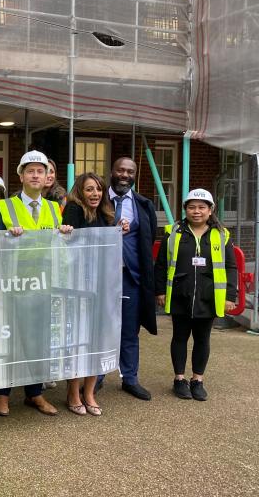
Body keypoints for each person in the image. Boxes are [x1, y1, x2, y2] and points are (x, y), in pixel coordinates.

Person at [0, 150, 71, 417]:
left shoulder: (53, 208)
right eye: (30, 171)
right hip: (12, 286)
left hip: (43, 286)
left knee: (38, 341)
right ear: (21, 176)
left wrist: (65, 235)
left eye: (41, 170)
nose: (36, 175)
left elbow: (58, 249)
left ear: (48, 176)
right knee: (9, 340)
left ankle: (34, 393)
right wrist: (6, 237)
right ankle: (2, 394)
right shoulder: (3, 207)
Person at [155, 189, 238, 401]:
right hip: (180, 293)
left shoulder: (222, 235)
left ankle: (197, 380)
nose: (197, 211)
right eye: (192, 207)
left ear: (210, 210)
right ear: (185, 210)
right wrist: (160, 290)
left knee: (202, 339)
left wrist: (230, 295)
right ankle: (179, 379)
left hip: (209, 296)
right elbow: (161, 264)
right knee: (180, 337)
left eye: (202, 207)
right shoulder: (173, 232)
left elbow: (230, 266)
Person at [61, 172, 128, 416]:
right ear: (80, 191)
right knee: (78, 339)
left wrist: (119, 230)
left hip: (102, 285)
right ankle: (73, 392)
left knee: (97, 338)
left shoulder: (106, 213)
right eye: (89, 189)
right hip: (78, 284)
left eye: (99, 189)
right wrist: (65, 232)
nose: (95, 194)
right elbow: (68, 246)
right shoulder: (73, 211)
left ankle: (89, 392)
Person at [103, 157, 158, 400]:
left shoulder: (143, 205)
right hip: (101, 277)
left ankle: (130, 378)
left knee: (129, 330)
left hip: (132, 276)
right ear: (112, 172)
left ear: (135, 175)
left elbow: (147, 241)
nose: (124, 175)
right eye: (120, 170)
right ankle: (97, 377)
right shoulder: (95, 198)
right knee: (101, 328)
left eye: (130, 171)